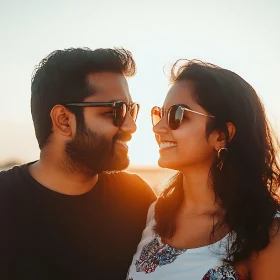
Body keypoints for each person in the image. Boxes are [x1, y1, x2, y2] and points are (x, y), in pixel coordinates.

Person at [0, 47, 156, 279]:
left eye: (131, 110)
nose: (130, 126)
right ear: (64, 120)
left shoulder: (137, 198)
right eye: (116, 110)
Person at [127, 60, 280, 280]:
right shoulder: (156, 214)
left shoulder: (267, 233)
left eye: (177, 115)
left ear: (222, 135)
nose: (158, 128)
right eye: (160, 113)